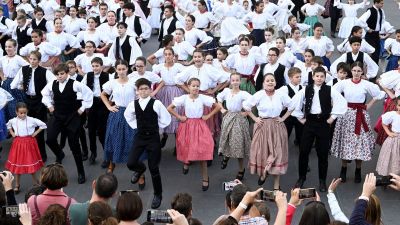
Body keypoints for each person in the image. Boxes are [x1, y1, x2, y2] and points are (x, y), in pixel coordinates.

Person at [290, 66, 347, 192]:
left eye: (322, 76)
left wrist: (332, 118)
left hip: (323, 124)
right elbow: (294, 104)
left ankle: (322, 181)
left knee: (322, 154)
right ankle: (301, 178)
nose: (319, 78)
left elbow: (342, 103)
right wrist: (301, 118)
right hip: (309, 123)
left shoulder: (330, 89)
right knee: (304, 151)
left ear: (325, 77)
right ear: (313, 77)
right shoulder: (306, 89)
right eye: (317, 76)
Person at [331, 61, 385, 183]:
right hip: (346, 114)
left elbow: (379, 94)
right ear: (351, 71)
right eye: (354, 70)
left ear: (362, 72)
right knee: (346, 142)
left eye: (359, 71)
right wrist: (338, 105)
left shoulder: (366, 84)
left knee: (359, 143)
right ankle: (343, 169)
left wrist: (368, 105)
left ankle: (358, 170)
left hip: (361, 115)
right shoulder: (344, 83)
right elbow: (332, 93)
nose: (356, 73)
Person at [41, 63, 93, 184]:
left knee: (74, 144)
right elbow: (44, 94)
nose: (59, 76)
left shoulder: (75, 84)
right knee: (50, 139)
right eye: (57, 74)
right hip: (58, 115)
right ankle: (60, 153)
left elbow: (88, 94)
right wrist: (49, 106)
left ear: (67, 73)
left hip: (72, 116)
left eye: (62, 74)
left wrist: (82, 108)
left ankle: (81, 172)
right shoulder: (52, 84)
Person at [167, 78, 221, 191]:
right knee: (186, 146)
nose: (195, 88)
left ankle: (205, 177)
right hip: (187, 125)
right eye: (193, 86)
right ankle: (186, 162)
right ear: (189, 86)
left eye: (197, 86)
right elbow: (170, 108)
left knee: (203, 151)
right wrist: (180, 117)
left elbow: (218, 107)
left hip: (199, 125)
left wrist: (208, 116)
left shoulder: (203, 98)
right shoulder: (184, 98)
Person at [125, 78, 171, 209]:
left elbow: (165, 118)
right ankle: (140, 169)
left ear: (150, 90)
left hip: (153, 139)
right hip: (140, 137)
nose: (143, 91)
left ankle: (158, 194)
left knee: (154, 168)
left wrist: (158, 128)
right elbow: (128, 116)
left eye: (146, 88)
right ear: (137, 91)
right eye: (141, 89)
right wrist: (136, 126)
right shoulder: (133, 104)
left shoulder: (156, 103)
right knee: (131, 163)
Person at [243, 73, 291, 189]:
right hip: (263, 125)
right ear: (263, 83)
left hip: (276, 126)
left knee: (277, 154)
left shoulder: (281, 94)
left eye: (272, 80)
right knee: (263, 152)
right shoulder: (259, 94)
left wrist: (283, 118)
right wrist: (255, 119)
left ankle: (276, 186)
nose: (270, 82)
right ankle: (264, 173)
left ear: (275, 82)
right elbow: (246, 106)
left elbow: (292, 106)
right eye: (268, 81)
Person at [10, 50, 55, 163]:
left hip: (39, 101)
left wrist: (46, 92)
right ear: (28, 59)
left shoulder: (44, 71)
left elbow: (54, 83)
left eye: (35, 59)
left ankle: (42, 155)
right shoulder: (24, 69)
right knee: (27, 128)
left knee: (38, 129)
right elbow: (13, 84)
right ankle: (31, 154)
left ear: (39, 61)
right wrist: (22, 87)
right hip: (27, 101)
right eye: (31, 58)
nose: (32, 61)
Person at [101, 60, 137, 173]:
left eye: (123, 69)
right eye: (119, 69)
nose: (121, 71)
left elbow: (140, 96)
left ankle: (137, 169)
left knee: (132, 140)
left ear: (127, 69)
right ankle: (112, 163)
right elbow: (103, 94)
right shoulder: (112, 83)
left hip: (131, 113)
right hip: (117, 113)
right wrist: (108, 106)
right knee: (113, 139)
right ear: (116, 70)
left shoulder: (134, 82)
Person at [5, 102, 46, 194]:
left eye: (25, 112)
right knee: (17, 165)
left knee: (31, 163)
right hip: (18, 143)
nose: (23, 115)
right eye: (21, 113)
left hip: (29, 143)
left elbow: (43, 125)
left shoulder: (31, 120)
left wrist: (35, 133)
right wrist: (12, 133)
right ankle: (17, 184)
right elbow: (8, 125)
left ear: (27, 111)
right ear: (16, 112)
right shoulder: (13, 120)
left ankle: (36, 184)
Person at [218, 73, 251, 180]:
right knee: (226, 138)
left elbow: (253, 101)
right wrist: (222, 109)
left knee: (238, 143)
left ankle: (241, 169)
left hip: (238, 118)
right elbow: (218, 99)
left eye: (237, 80)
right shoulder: (226, 91)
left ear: (240, 81)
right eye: (233, 80)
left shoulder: (243, 94)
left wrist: (246, 112)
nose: (235, 82)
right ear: (230, 81)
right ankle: (226, 156)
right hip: (228, 116)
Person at [82, 57, 114, 166]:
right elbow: (82, 88)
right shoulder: (88, 75)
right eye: (93, 66)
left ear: (101, 66)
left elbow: (113, 90)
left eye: (97, 66)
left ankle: (107, 156)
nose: (95, 68)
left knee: (102, 131)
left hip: (103, 103)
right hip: (92, 103)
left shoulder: (108, 76)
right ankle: (93, 153)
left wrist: (110, 102)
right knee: (91, 131)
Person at [153, 47, 186, 146]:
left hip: (176, 91)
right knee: (164, 113)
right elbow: (152, 78)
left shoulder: (179, 67)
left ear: (173, 56)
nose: (167, 56)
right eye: (166, 54)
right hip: (163, 91)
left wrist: (181, 84)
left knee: (176, 113)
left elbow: (187, 77)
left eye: (169, 54)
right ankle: (165, 135)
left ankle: (178, 143)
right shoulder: (159, 67)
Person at [0, 39, 28, 121]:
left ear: (15, 47)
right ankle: (9, 127)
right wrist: (2, 77)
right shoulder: (3, 59)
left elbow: (27, 68)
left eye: (10, 47)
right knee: (6, 105)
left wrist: (22, 81)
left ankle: (19, 125)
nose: (7, 48)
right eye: (6, 46)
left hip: (16, 85)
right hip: (5, 84)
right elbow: (0, 68)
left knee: (16, 106)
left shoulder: (18, 58)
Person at [277, 67, 304, 146]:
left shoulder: (303, 88)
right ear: (290, 78)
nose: (299, 78)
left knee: (301, 136)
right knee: (285, 135)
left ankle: (298, 142)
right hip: (288, 116)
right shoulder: (284, 89)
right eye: (297, 77)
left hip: (299, 116)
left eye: (300, 76)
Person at [375, 97, 400, 176]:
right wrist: (389, 132)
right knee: (392, 158)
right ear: (396, 106)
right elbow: (384, 123)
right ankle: (389, 177)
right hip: (395, 139)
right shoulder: (393, 114)